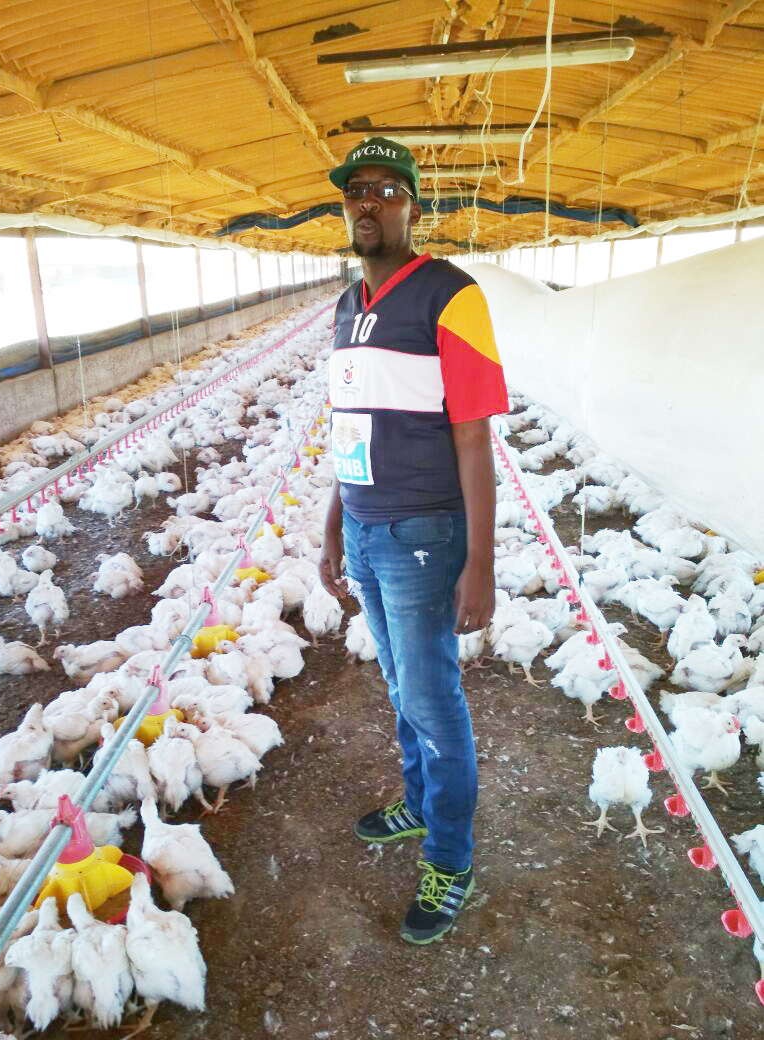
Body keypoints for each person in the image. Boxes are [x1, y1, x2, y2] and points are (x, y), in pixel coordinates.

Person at [319, 136, 508, 945]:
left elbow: (473, 439)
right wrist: (332, 529)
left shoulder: (450, 295)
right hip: (364, 528)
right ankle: (420, 801)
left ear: (414, 207)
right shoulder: (344, 308)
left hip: (426, 533)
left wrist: (481, 566)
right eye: (357, 191)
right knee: (399, 684)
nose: (370, 203)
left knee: (434, 702)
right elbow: (349, 425)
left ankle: (451, 856)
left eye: (387, 190)